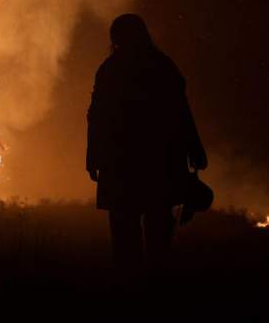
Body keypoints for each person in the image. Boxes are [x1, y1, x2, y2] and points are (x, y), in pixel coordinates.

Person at [86, 14, 207, 270]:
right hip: (159, 161)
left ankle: (131, 285)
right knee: (158, 226)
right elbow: (181, 112)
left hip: (122, 163)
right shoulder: (162, 66)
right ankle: (155, 284)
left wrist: (94, 156)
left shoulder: (111, 69)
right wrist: (194, 149)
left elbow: (97, 117)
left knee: (124, 229)